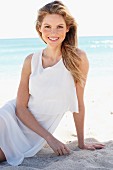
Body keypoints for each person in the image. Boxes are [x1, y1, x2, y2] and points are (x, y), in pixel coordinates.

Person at [0, 0, 104, 166]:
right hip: (10, 118)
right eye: (47, 26)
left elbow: (78, 103)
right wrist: (50, 138)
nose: (52, 32)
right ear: (39, 28)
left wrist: (81, 143)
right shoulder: (30, 60)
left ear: (68, 28)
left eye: (59, 27)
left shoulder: (78, 59)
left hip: (33, 136)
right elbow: (20, 107)